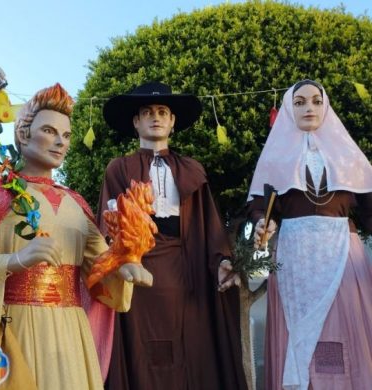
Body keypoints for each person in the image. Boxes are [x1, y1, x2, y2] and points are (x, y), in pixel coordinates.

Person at [0, 83, 153, 390]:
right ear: (23, 134)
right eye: (50, 131)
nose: (60, 143)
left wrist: (124, 264)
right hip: (16, 327)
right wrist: (12, 261)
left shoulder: (76, 203)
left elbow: (98, 270)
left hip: (72, 331)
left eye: (66, 135)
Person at [99, 81, 247, 390]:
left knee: (192, 349)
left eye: (163, 111)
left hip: (188, 272)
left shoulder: (192, 169)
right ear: (136, 121)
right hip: (138, 274)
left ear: (173, 122)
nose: (156, 117)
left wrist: (222, 261)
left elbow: (210, 227)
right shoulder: (119, 168)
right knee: (144, 350)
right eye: (147, 111)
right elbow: (109, 225)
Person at [248, 79, 372, 390]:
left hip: (343, 255)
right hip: (294, 254)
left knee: (341, 329)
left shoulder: (348, 157)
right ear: (289, 110)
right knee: (297, 330)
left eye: (316, 101)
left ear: (326, 107)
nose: (309, 108)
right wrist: (263, 223)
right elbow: (260, 207)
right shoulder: (274, 158)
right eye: (300, 102)